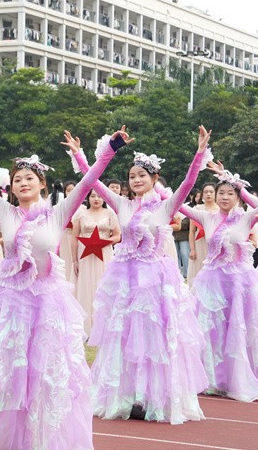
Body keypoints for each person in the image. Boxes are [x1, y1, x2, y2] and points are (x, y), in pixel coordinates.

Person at [0, 125, 129, 450]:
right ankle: (3, 436)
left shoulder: (59, 212)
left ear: (41, 183)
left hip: (47, 304)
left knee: (46, 372)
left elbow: (90, 179)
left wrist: (111, 147)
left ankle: (41, 437)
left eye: (29, 178)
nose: (23, 183)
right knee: (7, 371)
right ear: (10, 187)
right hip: (10, 303)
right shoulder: (4, 211)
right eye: (17, 179)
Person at [64, 127, 211, 423]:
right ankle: (126, 395)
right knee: (124, 337)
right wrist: (79, 155)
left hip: (154, 281)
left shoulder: (166, 206)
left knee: (153, 339)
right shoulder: (122, 204)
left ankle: (151, 398)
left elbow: (188, 183)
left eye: (142, 175)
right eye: (132, 176)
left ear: (154, 179)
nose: (136, 180)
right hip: (124, 280)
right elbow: (92, 180)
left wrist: (199, 153)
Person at [186, 164, 258, 402]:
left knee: (239, 330)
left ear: (238, 197)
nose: (224, 197)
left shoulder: (246, 217)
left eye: (230, 193)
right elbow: (177, 204)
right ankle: (214, 379)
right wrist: (155, 187)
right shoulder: (205, 216)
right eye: (221, 193)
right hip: (212, 282)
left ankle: (240, 378)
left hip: (240, 282)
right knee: (213, 330)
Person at [71, 189, 120, 335]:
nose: (96, 199)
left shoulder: (110, 214)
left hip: (104, 253)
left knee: (104, 286)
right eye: (93, 196)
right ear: (88, 198)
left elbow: (117, 235)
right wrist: (74, 261)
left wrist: (103, 243)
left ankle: (104, 327)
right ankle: (86, 328)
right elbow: (74, 238)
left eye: (99, 196)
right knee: (86, 285)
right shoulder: (80, 214)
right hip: (85, 255)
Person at [187, 182, 218, 285]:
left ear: (216, 193)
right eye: (206, 192)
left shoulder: (220, 209)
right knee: (199, 270)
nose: (208, 194)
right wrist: (192, 249)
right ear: (202, 194)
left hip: (215, 243)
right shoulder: (196, 209)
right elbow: (192, 231)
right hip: (199, 242)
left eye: (211, 192)